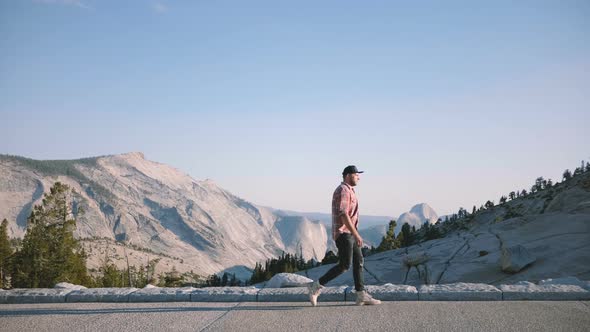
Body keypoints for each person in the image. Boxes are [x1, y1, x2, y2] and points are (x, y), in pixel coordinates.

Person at [307, 165, 381, 306]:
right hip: (344, 233)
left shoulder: (350, 191)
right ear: (348, 175)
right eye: (356, 174)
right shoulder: (343, 191)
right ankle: (315, 287)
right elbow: (343, 214)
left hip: (349, 233)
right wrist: (356, 234)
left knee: (358, 262)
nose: (359, 177)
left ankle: (361, 295)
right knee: (344, 265)